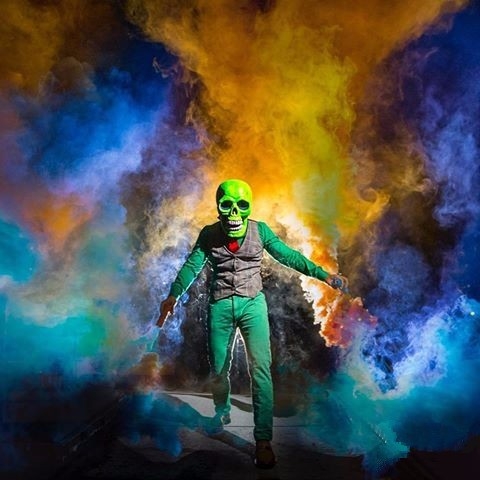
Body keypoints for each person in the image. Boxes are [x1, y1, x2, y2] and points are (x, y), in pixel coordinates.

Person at [157, 179, 347, 469]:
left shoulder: (260, 231)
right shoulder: (209, 234)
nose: (234, 213)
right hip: (220, 306)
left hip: (252, 306)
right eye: (227, 206)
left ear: (248, 208)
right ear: (218, 208)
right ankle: (221, 409)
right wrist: (173, 295)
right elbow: (191, 266)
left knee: (260, 370)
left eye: (241, 206)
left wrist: (324, 275)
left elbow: (288, 256)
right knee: (218, 368)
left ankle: (263, 440)